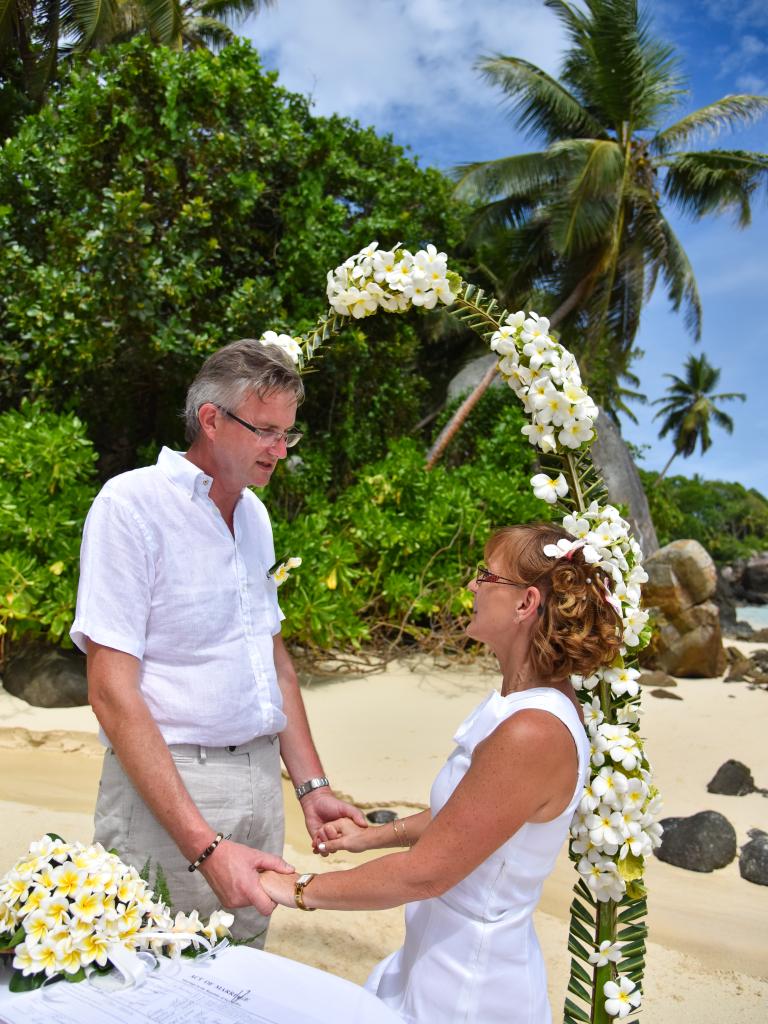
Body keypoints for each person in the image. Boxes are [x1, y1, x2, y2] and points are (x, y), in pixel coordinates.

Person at [261, 523, 623, 1022]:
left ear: (526, 604)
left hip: (469, 985)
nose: (473, 586)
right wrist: (370, 836)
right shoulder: (516, 705)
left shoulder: (533, 731)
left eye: (486, 576)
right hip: (435, 956)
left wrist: (297, 890)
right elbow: (467, 820)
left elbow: (425, 873)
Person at [70, 339, 365, 945]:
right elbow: (110, 692)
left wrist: (311, 788)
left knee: (243, 979)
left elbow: (272, 659)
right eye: (266, 432)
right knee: (144, 972)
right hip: (171, 787)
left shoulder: (255, 516)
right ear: (211, 420)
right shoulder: (130, 506)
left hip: (261, 784)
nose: (280, 450)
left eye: (288, 435)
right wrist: (204, 847)